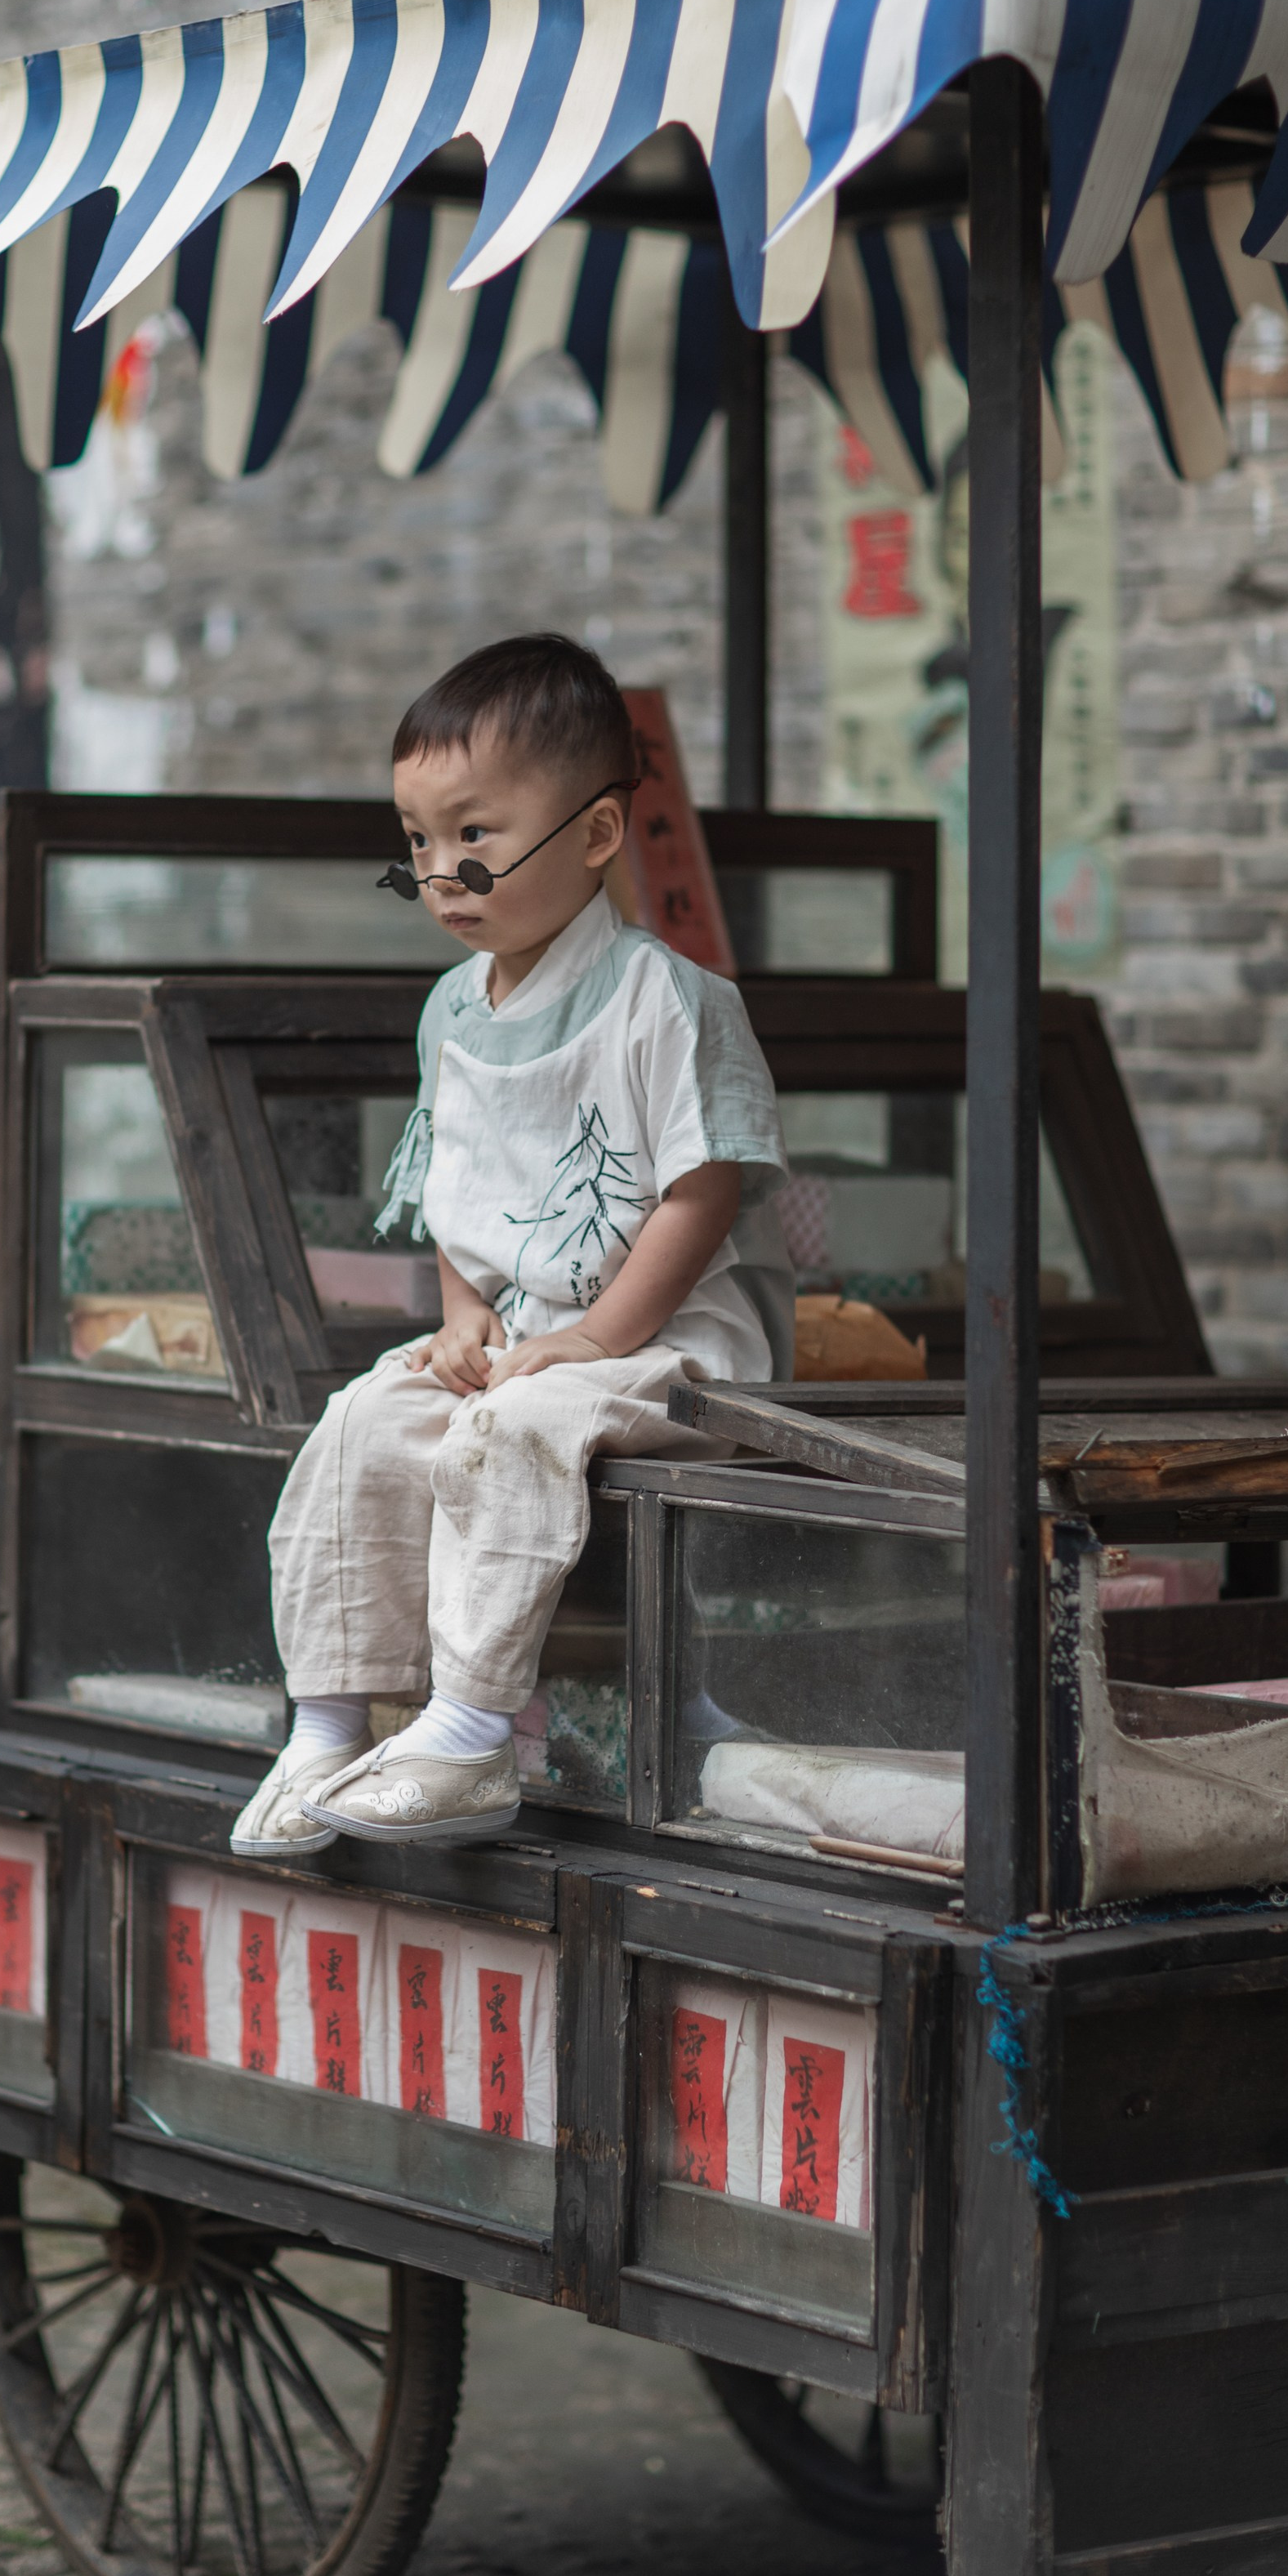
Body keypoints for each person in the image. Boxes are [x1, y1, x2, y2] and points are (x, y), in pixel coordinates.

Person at [231, 632, 790, 1859]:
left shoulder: (670, 1000)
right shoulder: (451, 1010)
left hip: (674, 1350)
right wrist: (463, 1314)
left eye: (474, 834)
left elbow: (703, 1195)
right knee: (366, 1417)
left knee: (515, 1426)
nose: (441, 872)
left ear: (597, 834)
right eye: (418, 840)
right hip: (530, 1340)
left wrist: (595, 1339)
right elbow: (456, 1183)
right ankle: (329, 1721)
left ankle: (472, 1727)